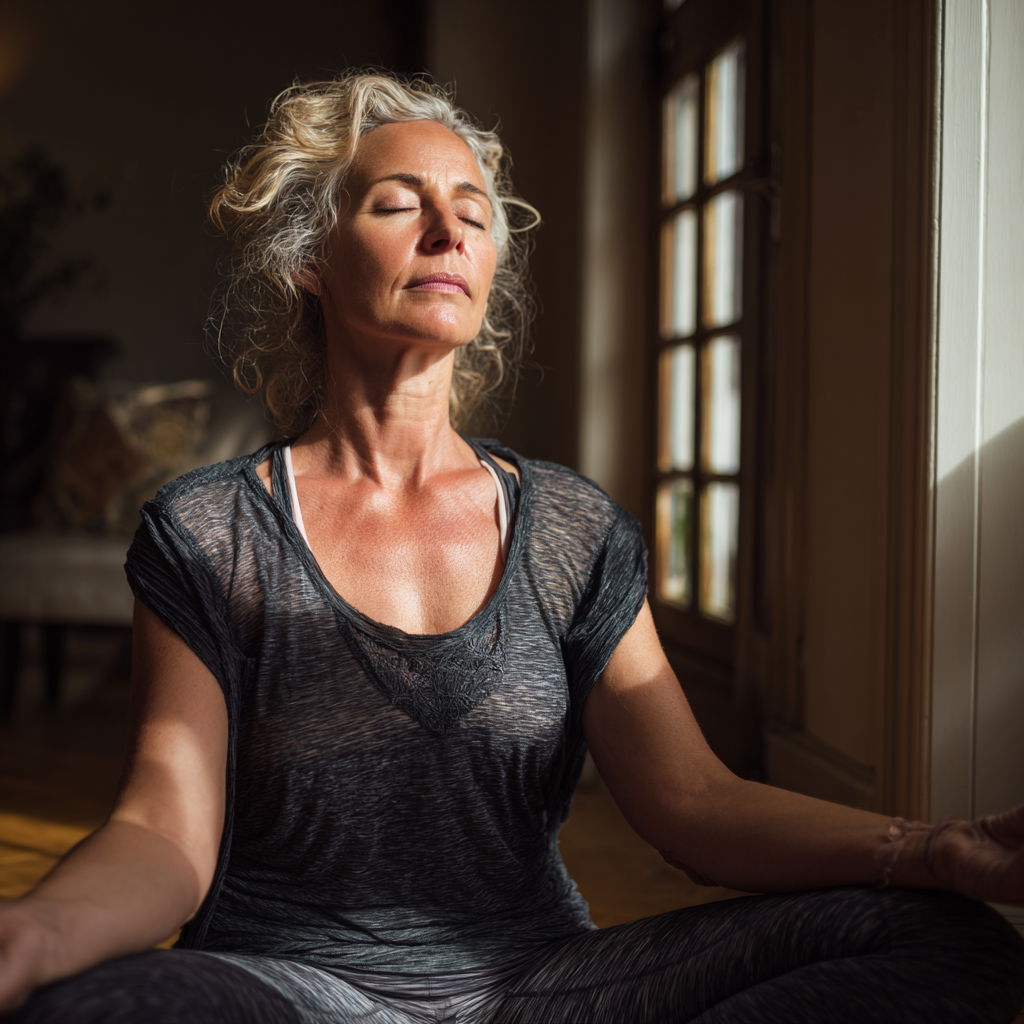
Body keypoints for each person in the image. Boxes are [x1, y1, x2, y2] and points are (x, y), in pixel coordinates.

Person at [1, 72, 1022, 1024]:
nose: (449, 229)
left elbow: (692, 803)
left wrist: (933, 848)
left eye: (474, 213)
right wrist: (41, 930)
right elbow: (163, 830)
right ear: (310, 259)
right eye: (398, 204)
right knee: (96, 1006)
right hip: (293, 988)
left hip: (538, 989)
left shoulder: (571, 530)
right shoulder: (211, 530)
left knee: (944, 941)